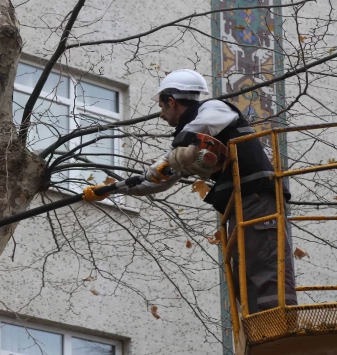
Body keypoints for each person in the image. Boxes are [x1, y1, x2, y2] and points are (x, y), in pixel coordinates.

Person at [126, 69, 296, 314]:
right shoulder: (192, 138)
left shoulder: (214, 109)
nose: (162, 115)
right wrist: (112, 189)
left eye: (162, 107)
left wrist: (176, 150)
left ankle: (280, 325)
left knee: (267, 266)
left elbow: (203, 126)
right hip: (240, 205)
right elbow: (158, 181)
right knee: (245, 273)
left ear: (171, 101)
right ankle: (257, 326)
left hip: (258, 199)